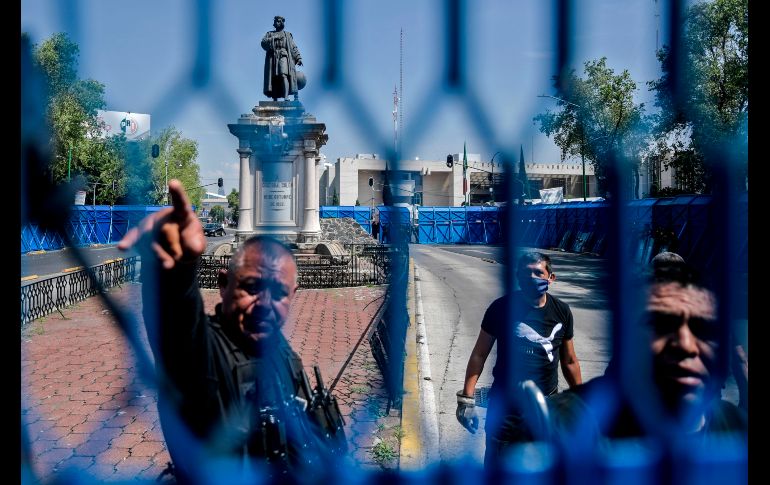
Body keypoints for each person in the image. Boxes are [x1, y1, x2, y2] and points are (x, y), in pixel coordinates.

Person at [118, 180, 346, 482]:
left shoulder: (278, 349)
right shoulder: (207, 353)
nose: (265, 304)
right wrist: (174, 271)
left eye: (278, 293)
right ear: (224, 285)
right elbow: (178, 331)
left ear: (293, 295)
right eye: (252, 287)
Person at [541, 259, 747, 450]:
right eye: (661, 325)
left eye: (703, 329)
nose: (686, 345)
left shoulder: (731, 424)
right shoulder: (561, 426)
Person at [456, 251, 583, 467]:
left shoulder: (562, 311)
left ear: (551, 278)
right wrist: (466, 400)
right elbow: (479, 354)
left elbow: (569, 361)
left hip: (545, 406)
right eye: (526, 273)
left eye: (538, 272)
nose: (532, 278)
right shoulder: (500, 308)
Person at [262, 15, 303, 101]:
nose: (278, 22)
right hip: (272, 58)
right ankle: (275, 99)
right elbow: (263, 43)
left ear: (282, 23)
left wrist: (298, 58)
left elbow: (293, 47)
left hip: (283, 56)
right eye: (276, 21)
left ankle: (286, 97)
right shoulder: (269, 34)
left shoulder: (287, 35)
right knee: (274, 77)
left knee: (284, 75)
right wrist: (274, 38)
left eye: (279, 21)